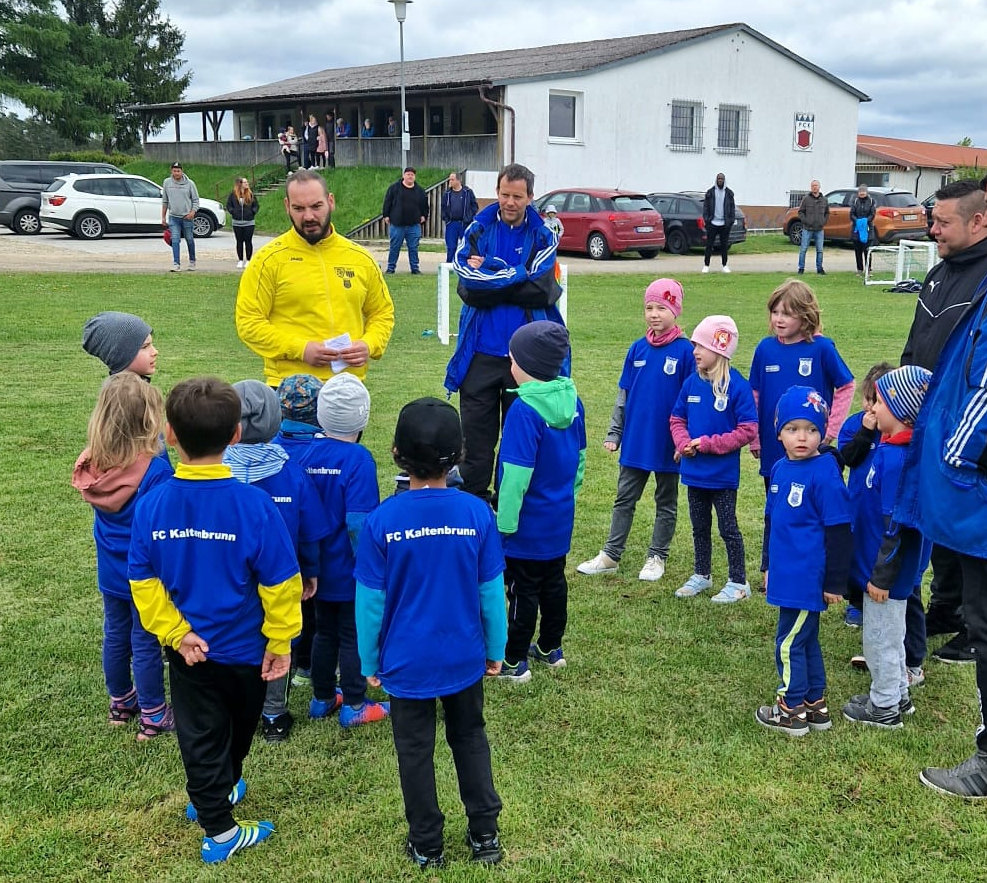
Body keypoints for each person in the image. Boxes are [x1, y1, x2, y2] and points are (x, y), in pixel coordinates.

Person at [129, 377, 302, 863]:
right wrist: (281, 641)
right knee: (213, 737)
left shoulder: (152, 505)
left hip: (197, 650)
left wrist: (175, 632)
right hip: (230, 651)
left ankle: (218, 789)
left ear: (169, 435)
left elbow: (142, 581)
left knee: (221, 735)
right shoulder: (255, 506)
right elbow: (282, 585)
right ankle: (220, 832)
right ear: (235, 435)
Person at [355, 397, 506, 869]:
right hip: (463, 655)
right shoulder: (477, 513)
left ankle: (427, 844)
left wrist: (368, 661)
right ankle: (485, 835)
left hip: (406, 661)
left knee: (414, 750)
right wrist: (496, 648)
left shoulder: (382, 520)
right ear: (458, 455)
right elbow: (491, 593)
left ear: (396, 454)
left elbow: (370, 604)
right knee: (470, 736)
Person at [895, 182, 987, 797]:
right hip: (942, 456)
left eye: (944, 221)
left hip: (968, 474)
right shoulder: (939, 275)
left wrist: (955, 454)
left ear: (979, 223)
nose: (932, 229)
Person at [273, 373, 389, 729]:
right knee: (352, 634)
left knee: (324, 632)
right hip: (349, 568)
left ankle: (322, 697)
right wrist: (371, 565)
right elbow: (358, 523)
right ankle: (354, 703)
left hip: (315, 568)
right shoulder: (358, 459)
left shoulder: (305, 453)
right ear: (363, 418)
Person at [444, 163, 563, 501]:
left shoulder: (543, 235)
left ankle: (509, 507)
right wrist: (516, 273)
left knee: (517, 441)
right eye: (505, 194)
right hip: (479, 355)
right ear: (497, 193)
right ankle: (476, 505)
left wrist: (491, 270)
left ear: (530, 197)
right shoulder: (477, 230)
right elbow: (468, 285)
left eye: (517, 196)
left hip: (524, 362)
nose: (510, 202)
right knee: (475, 442)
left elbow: (541, 289)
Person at [223, 380, 330, 742]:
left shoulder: (216, 470)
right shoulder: (290, 472)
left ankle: (234, 710)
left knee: (236, 639)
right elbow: (309, 532)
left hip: (229, 577)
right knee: (279, 638)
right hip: (281, 577)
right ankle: (273, 714)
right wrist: (310, 571)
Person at [72, 373, 175, 740]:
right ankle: (153, 713)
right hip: (145, 572)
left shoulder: (94, 464)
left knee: (115, 634)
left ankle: (120, 701)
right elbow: (164, 521)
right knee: (145, 640)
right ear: (148, 420)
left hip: (110, 570)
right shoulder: (156, 470)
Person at [577, 279, 693, 581]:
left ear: (676, 311)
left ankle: (657, 556)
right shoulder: (637, 349)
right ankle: (610, 555)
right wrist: (615, 433)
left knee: (666, 502)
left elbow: (691, 401)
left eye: (662, 308)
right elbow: (623, 396)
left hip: (669, 443)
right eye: (649, 307)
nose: (654, 314)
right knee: (624, 498)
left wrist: (684, 440)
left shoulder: (686, 352)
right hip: (636, 440)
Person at [235, 169, 394, 387]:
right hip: (289, 386)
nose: (308, 216)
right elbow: (248, 323)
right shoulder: (268, 260)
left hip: (348, 387)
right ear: (287, 206)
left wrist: (369, 344)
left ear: (331, 202)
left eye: (316, 206)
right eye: (298, 208)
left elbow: (382, 313)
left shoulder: (360, 258)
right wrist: (301, 350)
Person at [755, 386, 852, 736]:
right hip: (785, 575)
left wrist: (834, 582)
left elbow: (839, 530)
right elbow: (772, 521)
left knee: (788, 642)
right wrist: (767, 565)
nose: (802, 437)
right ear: (778, 431)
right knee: (805, 639)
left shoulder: (824, 472)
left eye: (811, 429)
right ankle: (815, 704)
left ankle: (790, 708)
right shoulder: (779, 469)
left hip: (807, 577)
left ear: (822, 433)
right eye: (793, 428)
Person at [842, 366, 932, 730]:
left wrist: (881, 577)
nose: (872, 408)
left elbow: (896, 528)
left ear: (902, 411)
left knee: (879, 639)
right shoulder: (890, 448)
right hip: (881, 570)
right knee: (893, 635)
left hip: (886, 576)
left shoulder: (899, 460)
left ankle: (883, 707)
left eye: (879, 402)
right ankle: (899, 695)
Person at [496, 321, 585, 682]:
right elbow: (580, 459)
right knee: (554, 583)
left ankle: (514, 661)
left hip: (527, 524)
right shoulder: (573, 401)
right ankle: (551, 648)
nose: (509, 364)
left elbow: (515, 475)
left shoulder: (524, 411)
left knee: (522, 590)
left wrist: (504, 524)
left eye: (513, 359)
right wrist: (567, 498)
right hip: (559, 517)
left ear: (527, 365)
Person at [749, 280, 854, 580]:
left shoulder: (821, 348)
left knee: (811, 509)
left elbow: (846, 385)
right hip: (775, 448)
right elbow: (754, 394)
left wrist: (831, 428)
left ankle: (816, 568)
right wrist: (755, 436)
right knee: (777, 508)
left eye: (787, 313)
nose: (779, 319)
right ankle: (772, 568)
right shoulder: (765, 349)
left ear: (806, 316)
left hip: (811, 448)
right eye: (775, 312)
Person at [670, 315, 757, 603]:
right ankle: (702, 574)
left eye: (701, 346)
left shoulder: (738, 387)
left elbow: (748, 430)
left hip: (722, 476)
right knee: (699, 527)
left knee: (728, 528)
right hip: (694, 473)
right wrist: (682, 443)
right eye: (694, 345)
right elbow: (677, 418)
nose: (694, 351)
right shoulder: (691, 383)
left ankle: (738, 582)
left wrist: (709, 444)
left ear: (720, 350)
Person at [837, 362, 893, 630]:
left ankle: (883, 597)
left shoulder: (895, 427)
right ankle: (856, 602)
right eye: (868, 399)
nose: (870, 407)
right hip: (858, 503)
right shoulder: (854, 425)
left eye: (877, 401)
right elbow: (848, 458)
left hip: (883, 504)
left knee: (880, 549)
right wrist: (866, 432)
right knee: (855, 549)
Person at [381, 167, 429, 274]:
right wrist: (386, 215)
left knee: (413, 248)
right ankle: (391, 268)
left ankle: (415, 268)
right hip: (397, 224)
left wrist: (424, 215)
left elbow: (425, 205)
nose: (410, 176)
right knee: (394, 247)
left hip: (414, 225)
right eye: (408, 174)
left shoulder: (420, 191)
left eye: (412, 175)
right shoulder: (394, 188)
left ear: (414, 177)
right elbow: (387, 202)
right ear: (404, 175)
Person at [82, 311, 157, 379]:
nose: (155, 352)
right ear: (119, 354)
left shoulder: (121, 388)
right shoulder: (127, 390)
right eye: (144, 347)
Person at [161, 161, 199, 273]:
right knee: (175, 239)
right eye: (174, 171)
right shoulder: (167, 183)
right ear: (171, 171)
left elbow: (196, 200)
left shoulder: (190, 184)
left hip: (187, 217)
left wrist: (192, 212)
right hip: (174, 217)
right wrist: (163, 217)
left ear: (182, 171)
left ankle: (192, 260)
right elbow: (165, 201)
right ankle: (176, 263)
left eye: (178, 171)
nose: (176, 173)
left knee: (189, 239)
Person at [701, 172, 736, 274]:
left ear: (724, 180)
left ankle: (725, 265)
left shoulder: (729, 193)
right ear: (716, 180)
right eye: (719, 179)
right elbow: (705, 207)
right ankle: (706, 265)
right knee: (709, 245)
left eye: (722, 179)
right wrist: (707, 220)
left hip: (724, 224)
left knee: (724, 246)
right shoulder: (710, 192)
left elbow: (732, 209)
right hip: (712, 223)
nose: (720, 180)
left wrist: (730, 221)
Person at [440, 172, 478, 264]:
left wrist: (468, 218)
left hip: (464, 223)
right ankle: (450, 265)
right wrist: (446, 218)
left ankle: (465, 265)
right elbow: (443, 207)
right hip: (451, 224)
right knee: (451, 247)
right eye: (449, 179)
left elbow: (474, 206)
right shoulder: (447, 194)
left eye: (452, 179)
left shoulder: (468, 192)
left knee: (467, 246)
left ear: (458, 180)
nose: (450, 181)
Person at [225, 177, 259, 270]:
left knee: (248, 241)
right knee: (239, 241)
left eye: (247, 182)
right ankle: (240, 260)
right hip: (237, 222)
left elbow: (256, 206)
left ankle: (248, 260)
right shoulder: (233, 195)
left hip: (249, 222)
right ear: (239, 184)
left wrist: (252, 212)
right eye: (244, 182)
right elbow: (229, 205)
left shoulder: (251, 194)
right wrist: (233, 212)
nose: (247, 183)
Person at [797, 180, 829, 275]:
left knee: (820, 250)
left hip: (819, 229)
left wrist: (823, 221)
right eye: (813, 186)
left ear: (819, 187)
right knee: (803, 249)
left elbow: (827, 213)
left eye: (816, 185)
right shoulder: (806, 199)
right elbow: (801, 212)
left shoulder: (824, 200)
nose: (814, 187)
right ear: (811, 187)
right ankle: (801, 268)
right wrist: (806, 221)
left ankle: (820, 269)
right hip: (807, 229)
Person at [849, 184, 876, 275]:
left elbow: (872, 214)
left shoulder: (871, 201)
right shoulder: (855, 201)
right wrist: (857, 221)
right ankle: (859, 269)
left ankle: (868, 270)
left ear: (866, 192)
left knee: (867, 251)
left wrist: (865, 221)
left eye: (863, 191)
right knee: (858, 251)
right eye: (860, 192)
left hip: (868, 229)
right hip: (857, 229)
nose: (862, 193)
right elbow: (851, 214)